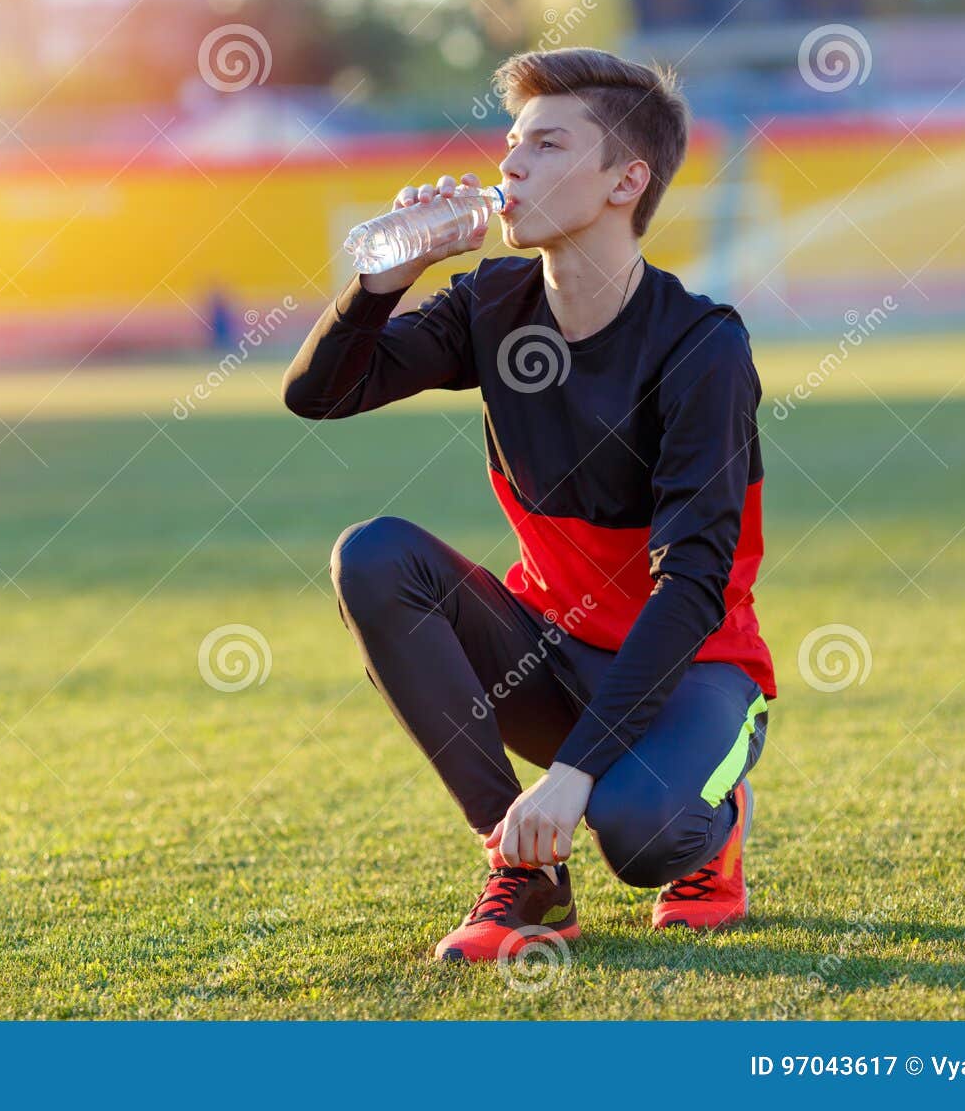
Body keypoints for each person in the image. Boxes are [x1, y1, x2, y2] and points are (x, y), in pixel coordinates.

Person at [281, 47, 775, 963]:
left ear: (627, 179)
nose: (510, 165)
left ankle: (718, 810)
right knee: (377, 555)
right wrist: (386, 279)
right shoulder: (491, 303)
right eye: (511, 144)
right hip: (550, 655)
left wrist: (575, 774)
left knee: (642, 838)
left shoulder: (702, 347)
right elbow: (321, 394)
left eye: (547, 146)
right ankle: (527, 877)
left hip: (691, 665)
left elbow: (695, 587)